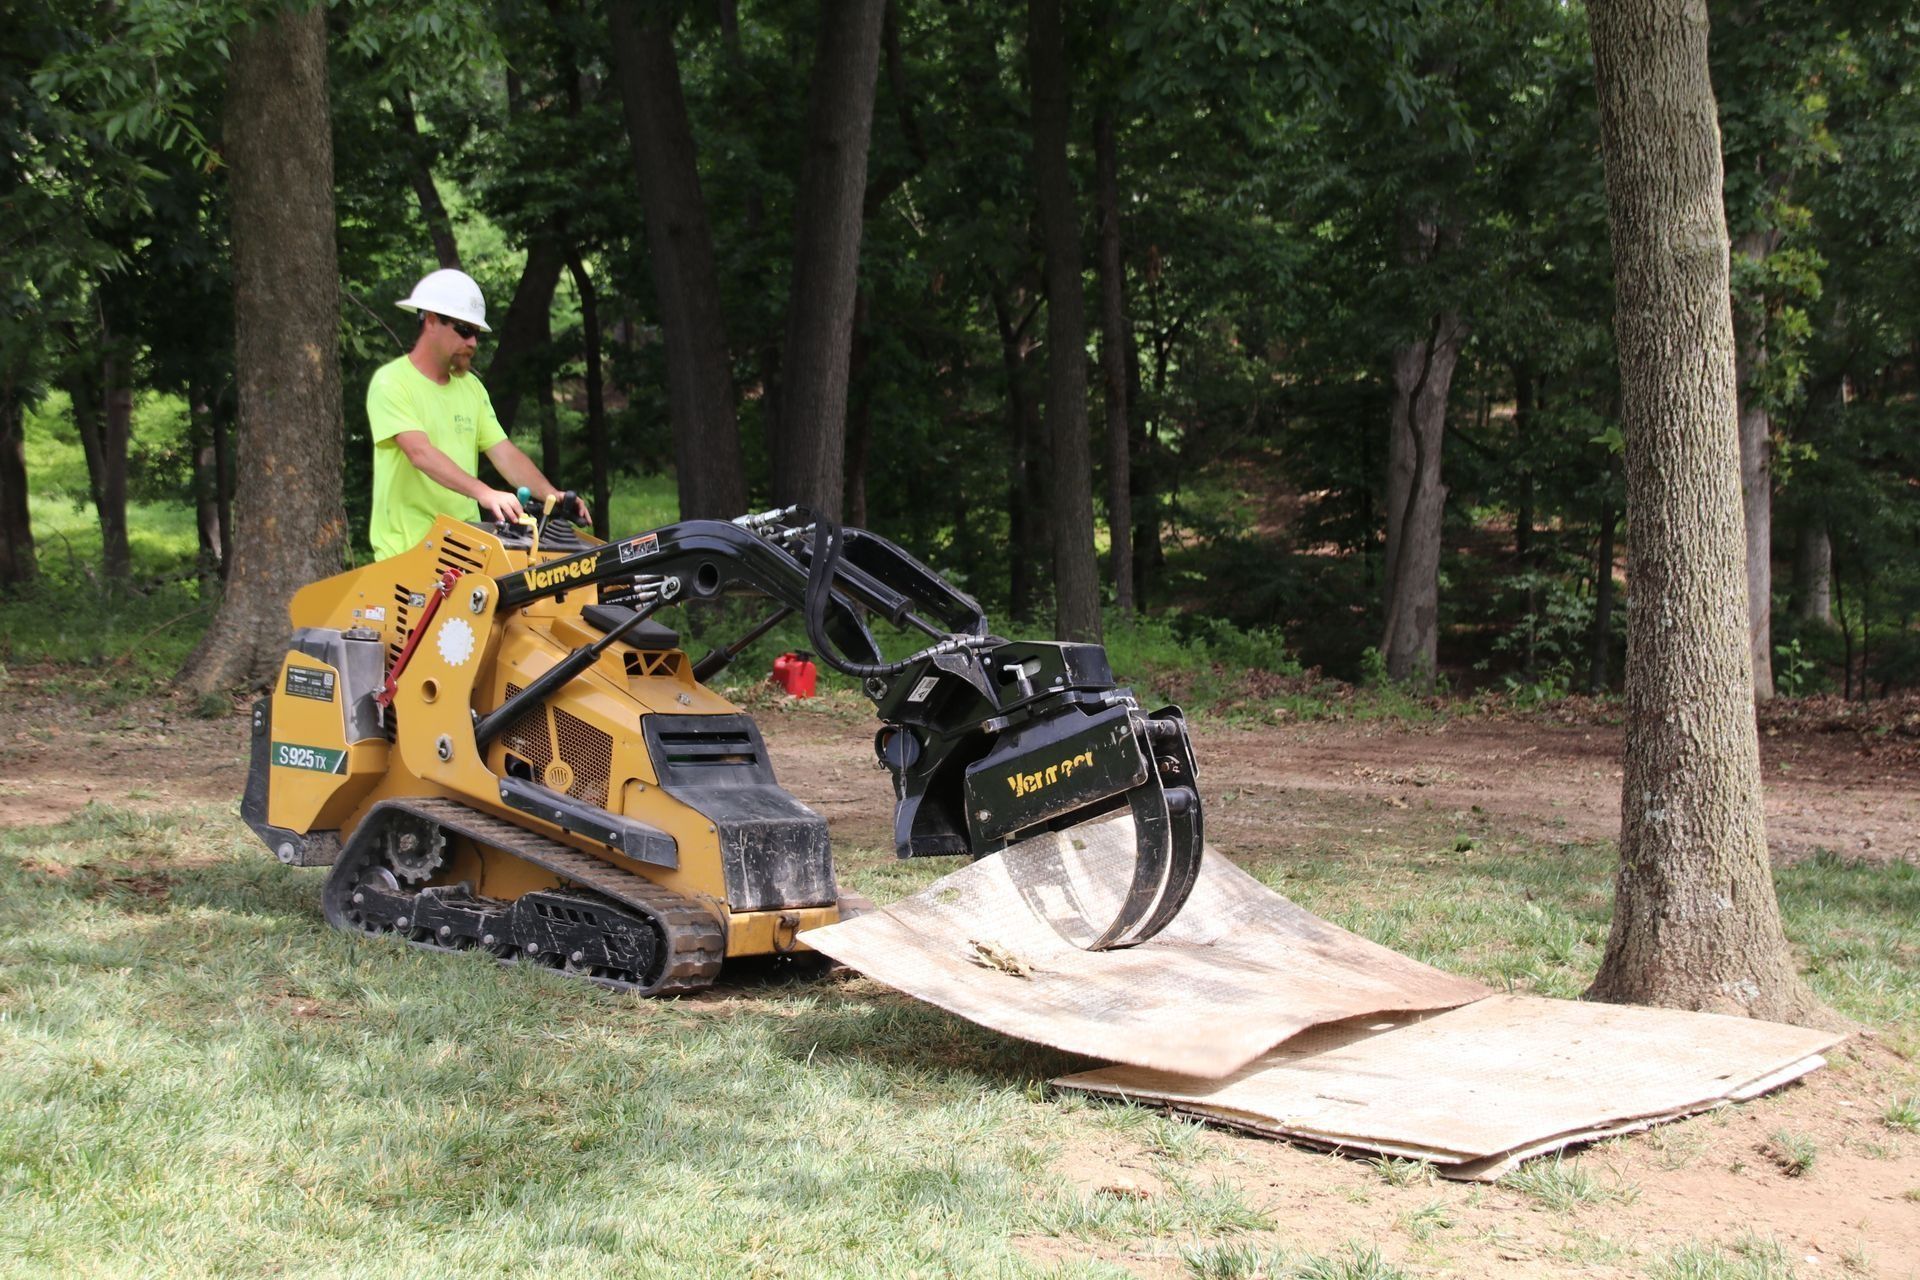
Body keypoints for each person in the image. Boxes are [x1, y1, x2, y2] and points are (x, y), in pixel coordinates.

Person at [366, 268, 588, 559]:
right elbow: (419, 453)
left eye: (476, 333)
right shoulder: (391, 382)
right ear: (431, 321)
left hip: (464, 550)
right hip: (408, 554)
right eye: (465, 330)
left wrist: (550, 495)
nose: (473, 342)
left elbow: (504, 453)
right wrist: (484, 492)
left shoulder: (471, 388)